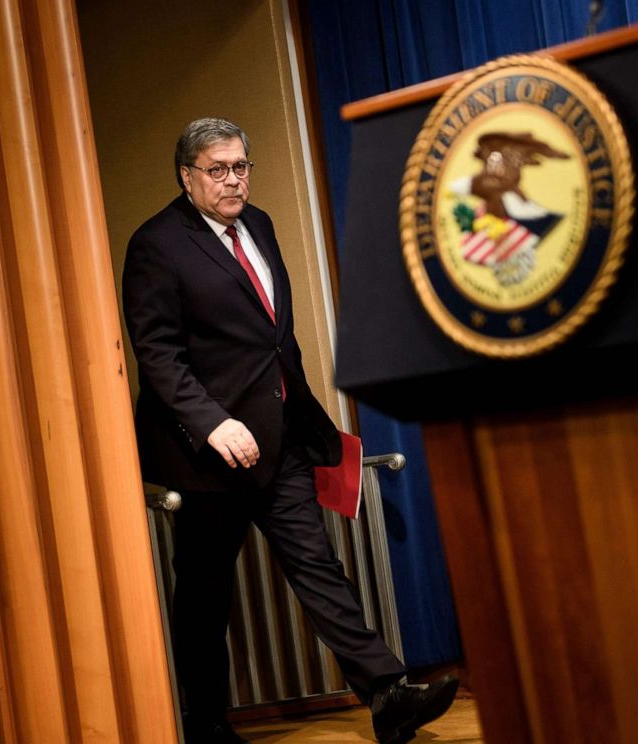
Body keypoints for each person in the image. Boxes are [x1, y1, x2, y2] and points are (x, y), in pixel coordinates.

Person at [122, 117, 458, 744]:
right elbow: (158, 354)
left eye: (241, 166)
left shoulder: (261, 224)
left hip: (278, 441)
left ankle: (386, 693)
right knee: (204, 594)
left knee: (318, 565)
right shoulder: (156, 244)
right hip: (207, 454)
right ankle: (208, 724)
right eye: (218, 169)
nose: (233, 180)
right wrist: (213, 422)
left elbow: (274, 339)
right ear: (186, 176)